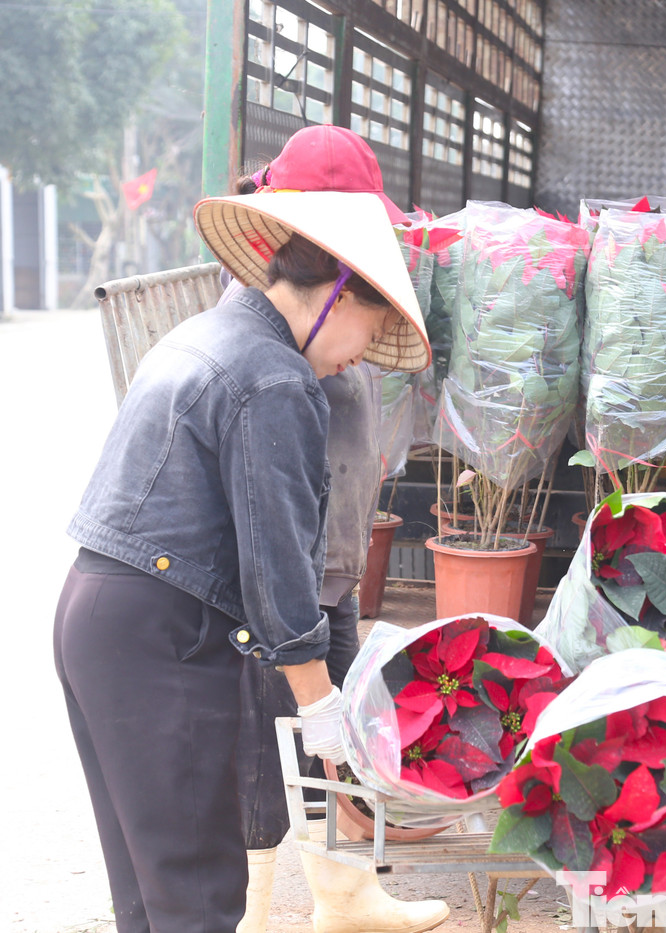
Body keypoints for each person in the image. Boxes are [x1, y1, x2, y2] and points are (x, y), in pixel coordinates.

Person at [56, 190, 429, 932]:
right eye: (373, 326)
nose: (363, 353)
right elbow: (279, 563)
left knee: (150, 884)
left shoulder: (207, 332)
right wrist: (321, 705)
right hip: (161, 633)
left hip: (94, 614)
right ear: (338, 291)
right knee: (198, 891)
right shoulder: (275, 379)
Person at [228, 125, 448, 933]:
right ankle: (247, 908)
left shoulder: (331, 297)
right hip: (283, 576)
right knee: (265, 746)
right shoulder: (267, 322)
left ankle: (347, 897)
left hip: (334, 562)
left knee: (338, 735)